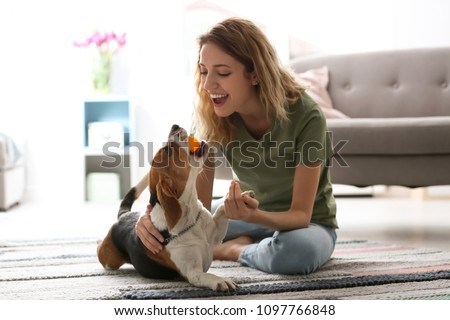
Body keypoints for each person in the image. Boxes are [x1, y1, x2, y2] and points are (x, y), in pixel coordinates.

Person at [136, 17, 338, 275]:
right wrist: (151, 219)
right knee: (162, 230)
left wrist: (252, 217)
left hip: (308, 225)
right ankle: (257, 243)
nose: (208, 85)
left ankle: (235, 250)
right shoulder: (210, 114)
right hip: (240, 213)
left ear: (254, 73)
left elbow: (300, 215)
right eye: (204, 71)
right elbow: (196, 203)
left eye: (222, 72)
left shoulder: (306, 116)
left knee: (296, 254)